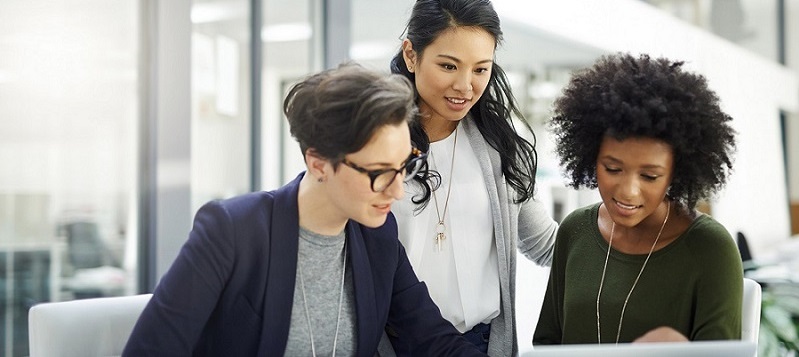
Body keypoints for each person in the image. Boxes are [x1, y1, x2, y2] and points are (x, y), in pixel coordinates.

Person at [122, 63, 486, 356]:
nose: (397, 191)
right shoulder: (233, 231)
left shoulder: (378, 235)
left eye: (404, 166)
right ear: (318, 163)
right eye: (378, 173)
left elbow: (431, 339)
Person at [385, 0, 558, 355]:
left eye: (481, 69)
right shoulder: (374, 143)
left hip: (479, 344)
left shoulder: (500, 146)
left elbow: (544, 244)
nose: (465, 86)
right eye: (449, 65)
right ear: (411, 55)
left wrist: (632, 233)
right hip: (393, 345)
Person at [533, 53, 742, 345]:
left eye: (650, 176)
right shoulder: (575, 230)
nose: (628, 191)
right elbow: (547, 344)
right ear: (592, 157)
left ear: (676, 173)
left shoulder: (710, 249)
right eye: (613, 169)